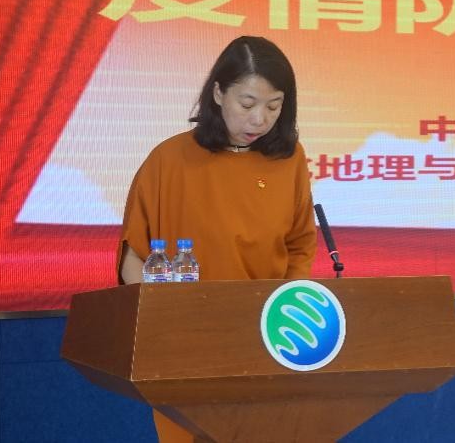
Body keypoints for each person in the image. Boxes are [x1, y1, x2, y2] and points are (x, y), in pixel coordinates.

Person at [116, 35, 317, 443]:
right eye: (248, 104)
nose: (259, 120)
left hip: (266, 340)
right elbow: (133, 257)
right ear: (219, 93)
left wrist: (286, 316)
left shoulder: (290, 160)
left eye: (274, 106)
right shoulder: (168, 160)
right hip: (185, 344)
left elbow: (300, 246)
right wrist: (159, 321)